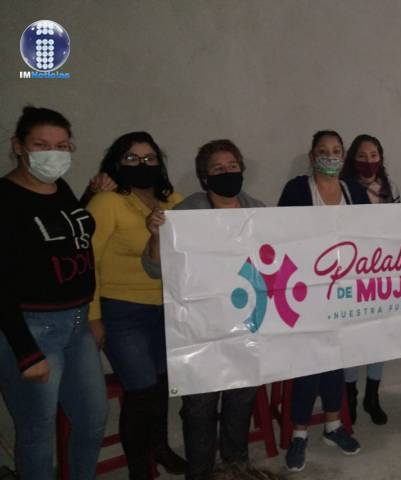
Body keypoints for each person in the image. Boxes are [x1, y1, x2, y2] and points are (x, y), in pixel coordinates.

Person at [143, 139, 264, 479]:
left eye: (232, 166)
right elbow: (153, 269)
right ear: (205, 178)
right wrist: (156, 235)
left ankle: (236, 470)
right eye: (218, 168)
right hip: (199, 328)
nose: (227, 172)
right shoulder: (186, 213)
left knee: (241, 402)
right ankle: (200, 473)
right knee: (199, 408)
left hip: (246, 323)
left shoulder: (258, 210)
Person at [0, 106, 108, 479]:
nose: (53, 154)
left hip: (77, 323)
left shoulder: (58, 187)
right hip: (32, 329)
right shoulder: (5, 198)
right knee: (37, 433)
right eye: (41, 144)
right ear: (18, 146)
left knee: (93, 419)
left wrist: (90, 194)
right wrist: (26, 353)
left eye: (62, 146)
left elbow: (64, 233)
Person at [85, 131, 186, 478]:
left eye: (149, 158)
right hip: (122, 311)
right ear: (117, 162)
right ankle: (139, 469)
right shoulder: (107, 202)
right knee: (141, 389)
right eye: (132, 158)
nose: (142, 164)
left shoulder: (173, 200)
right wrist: (94, 317)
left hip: (167, 308)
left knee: (161, 385)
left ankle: (160, 448)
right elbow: (88, 263)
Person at [277, 130, 366, 472]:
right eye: (323, 150)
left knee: (336, 358)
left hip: (344, 288)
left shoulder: (354, 190)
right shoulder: (297, 189)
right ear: (312, 156)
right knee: (309, 363)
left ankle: (333, 425)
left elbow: (374, 233)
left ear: (343, 156)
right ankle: (298, 433)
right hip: (305, 289)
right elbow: (281, 233)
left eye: (336, 150)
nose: (330, 156)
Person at [339, 134, 399, 426]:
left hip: (382, 271)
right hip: (350, 271)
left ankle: (372, 396)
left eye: (373, 155)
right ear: (352, 159)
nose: (368, 161)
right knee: (351, 337)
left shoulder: (390, 188)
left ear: (381, 158)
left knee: (378, 337)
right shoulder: (342, 188)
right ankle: (349, 394)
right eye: (362, 156)